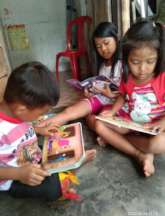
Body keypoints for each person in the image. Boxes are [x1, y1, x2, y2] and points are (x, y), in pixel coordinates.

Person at [0, 61, 96, 201]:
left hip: (29, 154)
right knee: (53, 189)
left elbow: (20, 129)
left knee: (60, 149)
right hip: (13, 177)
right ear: (22, 109)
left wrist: (39, 129)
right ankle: (69, 170)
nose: (41, 117)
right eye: (40, 114)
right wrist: (19, 174)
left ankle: (72, 162)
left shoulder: (18, 112)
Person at [94, 19, 165, 177]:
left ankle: (134, 145)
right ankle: (140, 155)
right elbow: (123, 96)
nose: (142, 69)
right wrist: (112, 112)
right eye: (135, 62)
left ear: (158, 58)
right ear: (126, 59)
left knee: (160, 144)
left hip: (156, 129)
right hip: (134, 124)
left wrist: (162, 122)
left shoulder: (162, 78)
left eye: (150, 62)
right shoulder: (128, 79)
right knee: (99, 125)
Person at [36, 22, 123, 136]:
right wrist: (91, 90)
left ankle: (106, 134)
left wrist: (111, 95)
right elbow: (101, 84)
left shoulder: (124, 64)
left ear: (116, 39)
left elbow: (129, 93)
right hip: (102, 98)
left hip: (117, 105)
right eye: (98, 46)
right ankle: (36, 129)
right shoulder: (102, 65)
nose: (103, 49)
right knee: (70, 112)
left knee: (94, 120)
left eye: (106, 43)